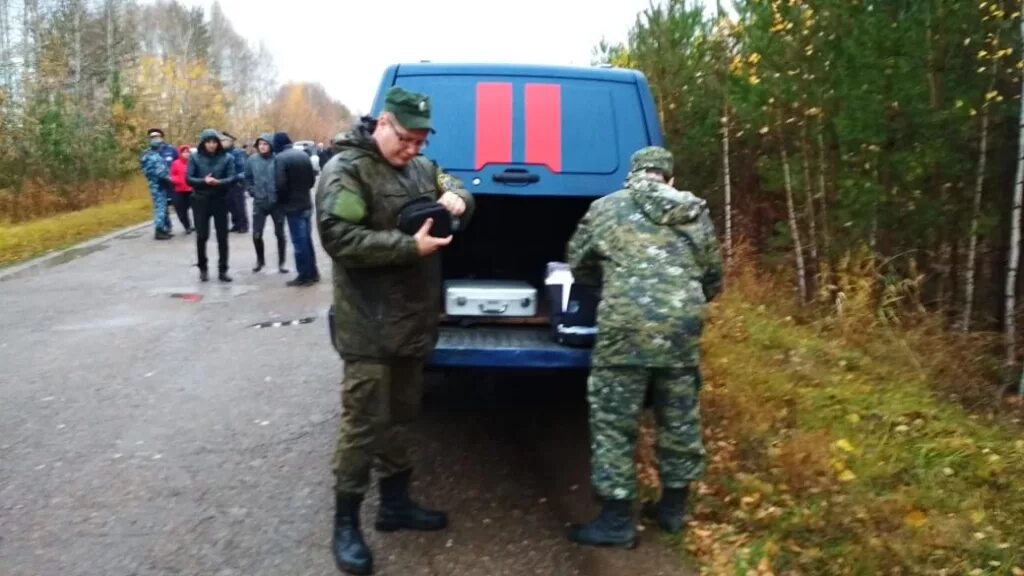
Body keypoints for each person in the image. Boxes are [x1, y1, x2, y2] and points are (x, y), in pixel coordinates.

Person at [314, 86, 475, 575]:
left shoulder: (423, 169)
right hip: (369, 326)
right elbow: (338, 238)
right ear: (383, 122)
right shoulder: (346, 170)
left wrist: (459, 200)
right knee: (363, 424)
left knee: (403, 416)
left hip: (412, 323)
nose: (413, 150)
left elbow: (461, 187)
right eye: (406, 139)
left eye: (421, 142)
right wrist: (409, 248)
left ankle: (395, 505)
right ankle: (346, 525)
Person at [564, 146, 723, 549]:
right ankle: (671, 511)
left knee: (615, 422)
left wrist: (611, 285)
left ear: (632, 176)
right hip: (680, 330)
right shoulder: (694, 211)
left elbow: (577, 261)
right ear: (668, 178)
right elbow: (713, 276)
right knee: (679, 417)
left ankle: (616, 521)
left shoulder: (605, 208)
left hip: (625, 329)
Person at [186, 129, 240, 283]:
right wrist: (204, 181)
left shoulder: (227, 158)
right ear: (203, 143)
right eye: (208, 142)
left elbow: (232, 178)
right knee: (202, 235)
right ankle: (203, 267)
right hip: (200, 200)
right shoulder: (195, 157)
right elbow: (188, 178)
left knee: (222, 237)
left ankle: (223, 269)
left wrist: (219, 182)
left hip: (220, 200)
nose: (212, 145)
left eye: (214, 142)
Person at [273, 131, 319, 286]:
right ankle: (313, 272)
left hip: (293, 206)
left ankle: (304, 276)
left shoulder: (280, 158)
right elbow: (312, 180)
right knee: (307, 240)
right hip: (306, 202)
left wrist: (282, 201)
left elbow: (280, 184)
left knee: (299, 243)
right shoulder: (303, 155)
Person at [245, 133, 288, 274]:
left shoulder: (278, 159)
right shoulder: (251, 160)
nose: (263, 147)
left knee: (280, 234)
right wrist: (252, 191)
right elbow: (248, 178)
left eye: (265, 144)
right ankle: (260, 260)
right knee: (257, 234)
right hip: (260, 202)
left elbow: (285, 178)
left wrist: (281, 193)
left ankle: (282, 263)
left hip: (277, 202)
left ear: (271, 145)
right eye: (260, 144)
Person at [140, 130, 174, 240]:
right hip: (160, 185)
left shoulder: (145, 155)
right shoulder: (157, 158)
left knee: (161, 206)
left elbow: (145, 170)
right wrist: (171, 180)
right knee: (160, 207)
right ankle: (159, 231)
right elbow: (161, 174)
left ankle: (163, 229)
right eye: (160, 145)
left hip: (152, 184)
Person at [221, 131, 250, 234]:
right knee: (230, 204)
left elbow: (243, 168)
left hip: (237, 182)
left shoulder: (237, 153)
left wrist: (237, 178)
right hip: (226, 183)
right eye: (221, 140)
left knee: (239, 204)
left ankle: (243, 225)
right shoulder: (222, 153)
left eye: (224, 140)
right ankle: (236, 224)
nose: (221, 142)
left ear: (231, 141)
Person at [169, 145, 194, 233]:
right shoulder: (175, 163)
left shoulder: (192, 162)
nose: (186, 154)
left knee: (197, 209)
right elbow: (172, 175)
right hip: (179, 190)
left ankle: (198, 225)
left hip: (191, 190)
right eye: (184, 152)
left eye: (188, 152)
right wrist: (178, 180)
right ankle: (187, 226)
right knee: (181, 210)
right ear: (180, 153)